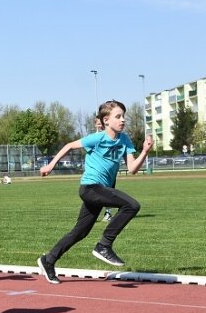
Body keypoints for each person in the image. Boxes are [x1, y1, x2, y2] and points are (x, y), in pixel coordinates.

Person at [37, 100, 153, 284]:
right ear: (106, 120)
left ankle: (48, 259)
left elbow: (132, 169)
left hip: (101, 191)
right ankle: (104, 245)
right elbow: (69, 146)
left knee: (80, 232)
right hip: (90, 188)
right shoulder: (96, 138)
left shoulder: (125, 140)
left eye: (124, 116)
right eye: (118, 116)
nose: (122, 120)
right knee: (131, 205)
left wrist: (145, 152)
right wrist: (51, 165)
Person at [94, 116, 113, 222]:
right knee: (94, 192)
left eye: (100, 123)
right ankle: (92, 214)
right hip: (97, 171)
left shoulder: (110, 136)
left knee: (107, 193)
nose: (99, 125)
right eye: (97, 123)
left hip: (108, 171)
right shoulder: (93, 137)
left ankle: (108, 213)